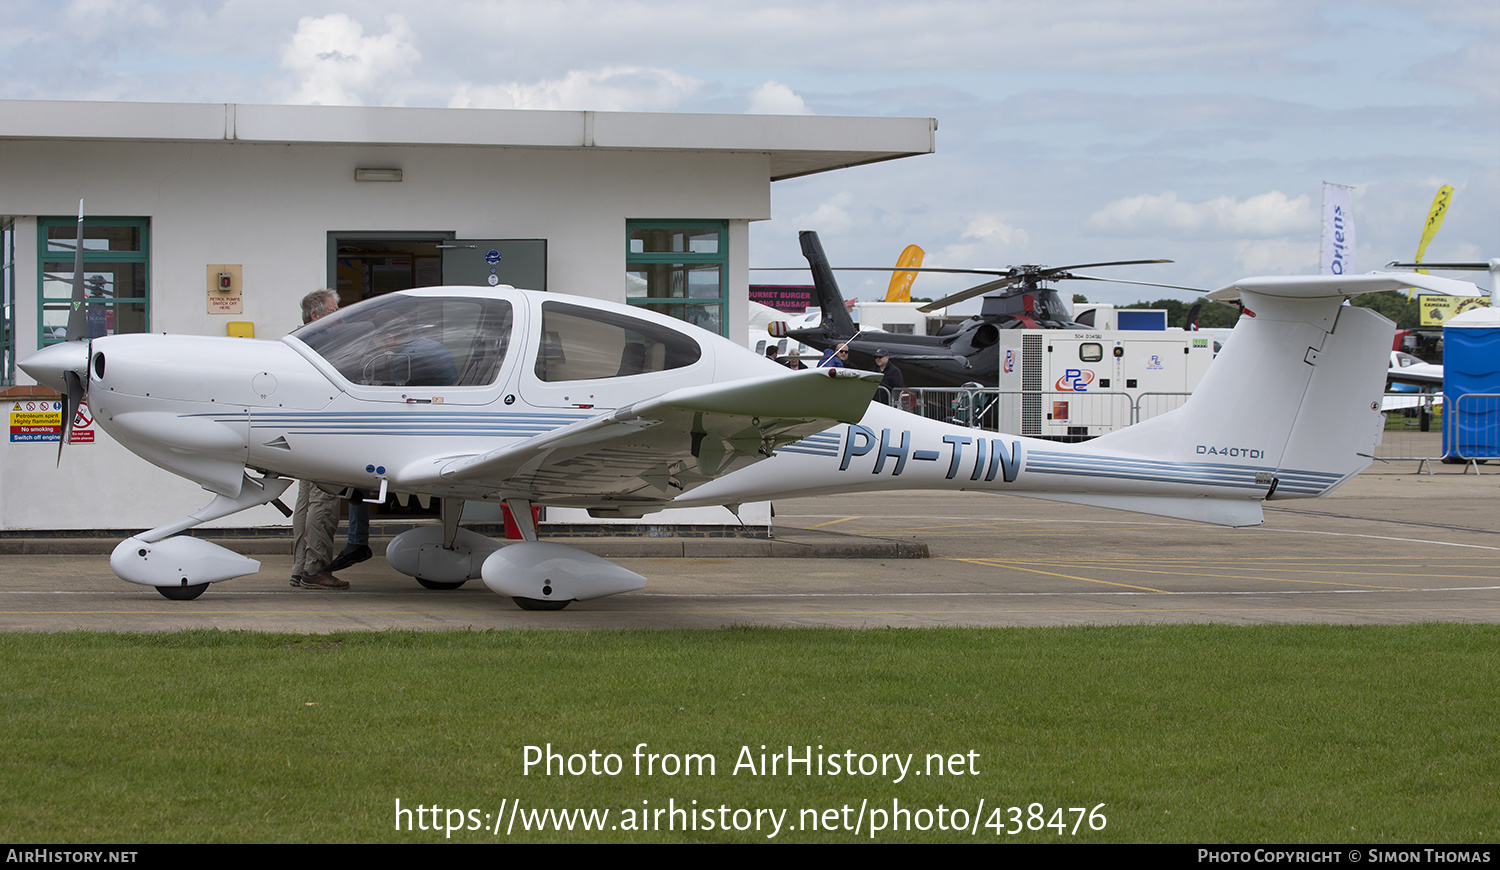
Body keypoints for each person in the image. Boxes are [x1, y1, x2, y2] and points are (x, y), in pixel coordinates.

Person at [290, 289, 349, 590]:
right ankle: (316, 569)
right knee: (324, 500)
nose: (340, 316)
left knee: (306, 501)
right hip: (322, 430)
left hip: (302, 431)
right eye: (334, 310)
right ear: (316, 316)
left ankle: (300, 568)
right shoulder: (324, 344)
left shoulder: (296, 341)